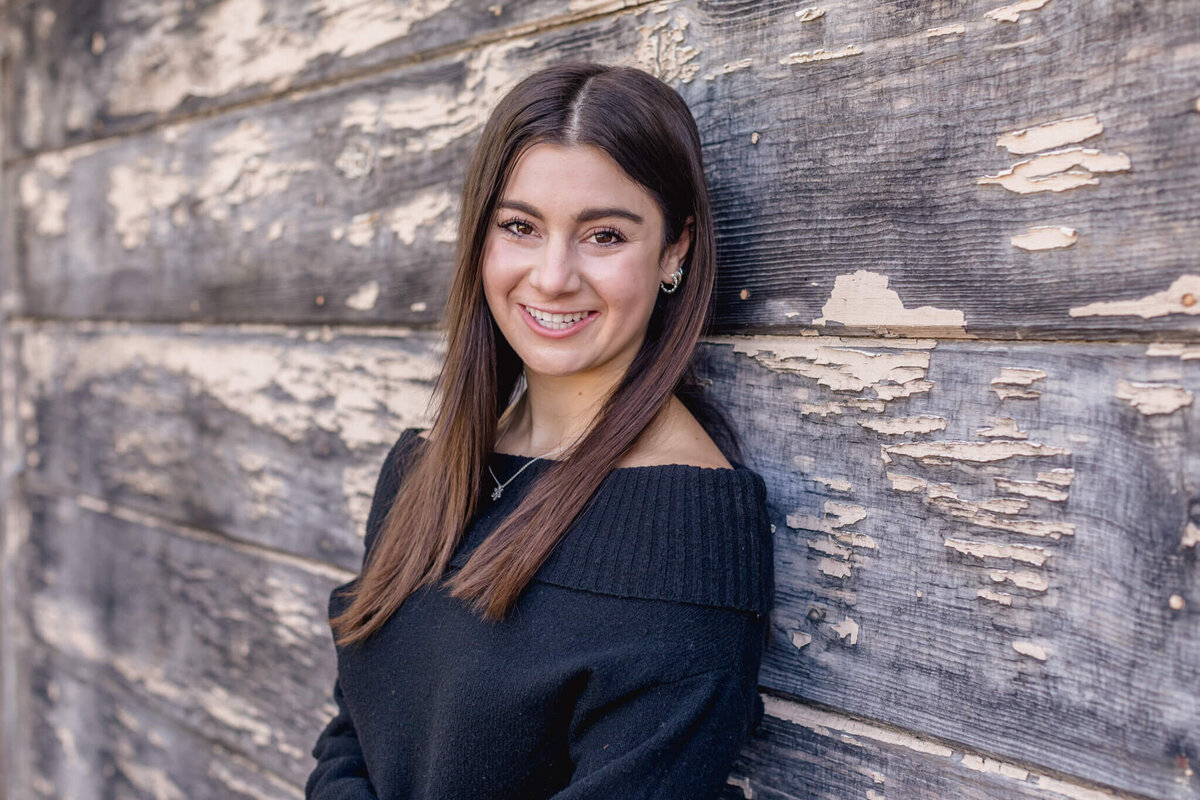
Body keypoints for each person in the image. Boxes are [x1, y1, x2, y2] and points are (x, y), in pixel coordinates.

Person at [305, 62, 775, 800]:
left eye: (604, 235)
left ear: (675, 250)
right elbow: (351, 737)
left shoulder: (687, 536)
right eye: (521, 227)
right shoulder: (427, 474)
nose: (552, 276)